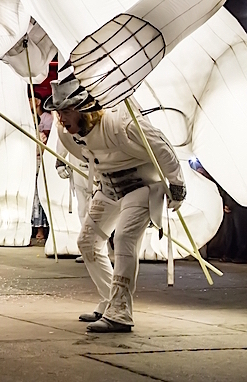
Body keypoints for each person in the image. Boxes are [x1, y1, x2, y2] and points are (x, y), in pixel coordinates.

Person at [45, 74, 186, 333]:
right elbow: (81, 154)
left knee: (124, 239)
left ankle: (120, 313)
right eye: (58, 112)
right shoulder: (67, 134)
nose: (61, 119)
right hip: (108, 188)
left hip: (141, 186)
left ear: (84, 108)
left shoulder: (122, 122)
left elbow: (162, 147)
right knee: (87, 243)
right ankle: (110, 301)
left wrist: (177, 185)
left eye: (66, 111)